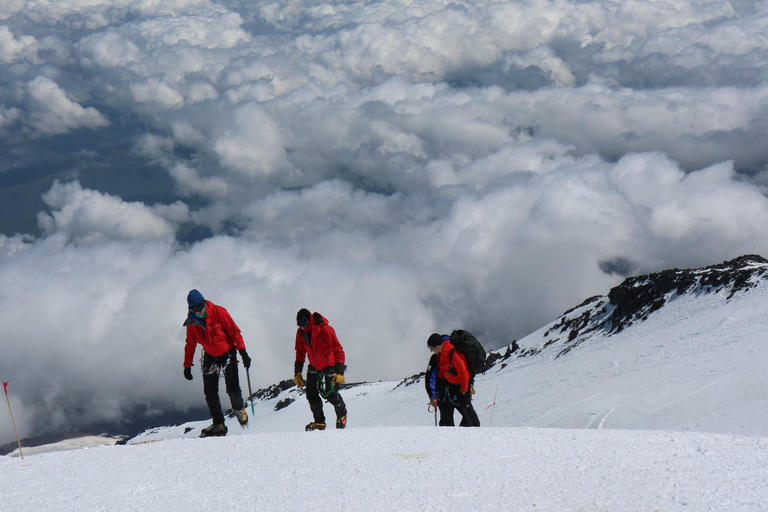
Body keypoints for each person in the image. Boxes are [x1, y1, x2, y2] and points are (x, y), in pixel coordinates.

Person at [183, 289, 252, 437]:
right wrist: (187, 365)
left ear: (204, 303)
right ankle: (218, 423)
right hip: (210, 355)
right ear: (190, 309)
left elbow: (234, 332)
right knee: (210, 392)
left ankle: (239, 409)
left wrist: (243, 352)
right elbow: (190, 343)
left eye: (201, 307)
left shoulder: (219, 312)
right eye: (195, 309)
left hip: (228, 352)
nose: (199, 311)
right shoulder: (192, 321)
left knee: (232, 389)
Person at [293, 308, 347, 431]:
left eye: (304, 323)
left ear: (310, 320)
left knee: (331, 394)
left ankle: (342, 414)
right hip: (314, 366)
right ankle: (319, 421)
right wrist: (298, 372)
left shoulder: (326, 330)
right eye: (300, 324)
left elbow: (338, 350)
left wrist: (340, 372)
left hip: (330, 365)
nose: (302, 327)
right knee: (311, 393)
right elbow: (300, 352)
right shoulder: (300, 333)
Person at [427, 333, 480, 427]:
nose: (431, 351)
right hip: (449, 388)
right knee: (460, 420)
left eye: (432, 348)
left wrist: (463, 392)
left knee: (471, 421)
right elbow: (442, 369)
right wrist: (436, 390)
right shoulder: (441, 354)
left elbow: (464, 374)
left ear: (439, 345)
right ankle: (455, 438)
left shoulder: (452, 353)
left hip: (460, 389)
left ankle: (463, 437)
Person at [425, 352, 457, 426]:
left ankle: (448, 436)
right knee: (469, 418)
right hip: (461, 391)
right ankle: (470, 436)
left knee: (446, 421)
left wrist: (433, 396)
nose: (431, 350)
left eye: (432, 347)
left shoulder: (436, 357)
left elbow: (431, 378)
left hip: (444, 394)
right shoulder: (456, 352)